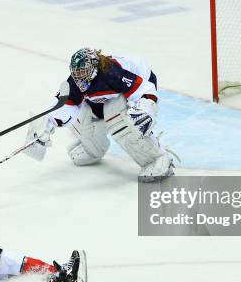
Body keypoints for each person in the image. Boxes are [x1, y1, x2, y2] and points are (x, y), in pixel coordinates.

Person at [25, 47, 176, 181]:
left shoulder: (111, 73)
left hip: (140, 83)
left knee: (119, 121)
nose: (79, 76)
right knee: (83, 119)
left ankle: (158, 159)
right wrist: (47, 126)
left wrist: (145, 106)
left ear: (94, 68)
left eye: (82, 71)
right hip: (104, 97)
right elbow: (65, 105)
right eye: (76, 72)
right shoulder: (75, 82)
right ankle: (93, 149)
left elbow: (143, 88)